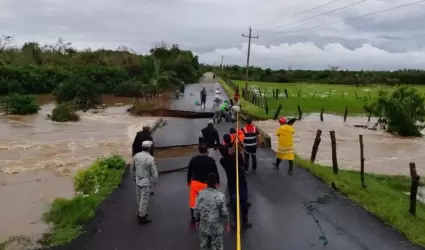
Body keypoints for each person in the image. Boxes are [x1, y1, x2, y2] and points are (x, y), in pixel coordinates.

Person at [219, 136, 252, 229]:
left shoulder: (222, 160)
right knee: (243, 201)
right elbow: (243, 164)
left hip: (232, 182)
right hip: (241, 180)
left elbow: (230, 152)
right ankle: (245, 221)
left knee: (234, 202)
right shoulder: (236, 156)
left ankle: (236, 223)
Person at [187, 144, 220, 228]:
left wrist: (188, 181)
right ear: (207, 151)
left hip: (195, 183)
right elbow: (215, 172)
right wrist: (217, 181)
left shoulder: (193, 159)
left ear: (199, 150)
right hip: (207, 184)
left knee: (193, 202)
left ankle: (193, 220)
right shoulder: (211, 160)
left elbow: (190, 171)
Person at [194, 173, 229, 250]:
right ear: (216, 183)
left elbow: (196, 209)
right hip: (216, 229)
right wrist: (226, 224)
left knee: (204, 246)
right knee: (217, 247)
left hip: (204, 227)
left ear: (206, 182)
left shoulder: (200, 194)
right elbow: (224, 213)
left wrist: (197, 220)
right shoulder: (220, 196)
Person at [132, 140, 158, 224]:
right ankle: (142, 216)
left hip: (138, 180)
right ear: (150, 148)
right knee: (145, 199)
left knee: (139, 197)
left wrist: (133, 177)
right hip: (146, 182)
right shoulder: (150, 159)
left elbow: (132, 168)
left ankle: (140, 212)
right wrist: (155, 181)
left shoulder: (136, 156)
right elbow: (154, 172)